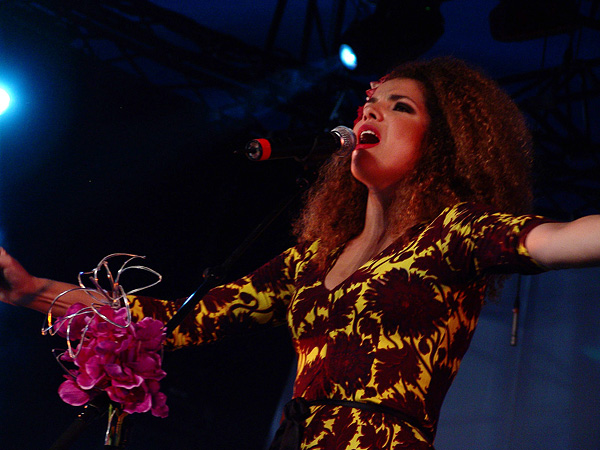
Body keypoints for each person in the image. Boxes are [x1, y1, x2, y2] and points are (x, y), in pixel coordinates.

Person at [0, 57, 599, 449]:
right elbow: (173, 322)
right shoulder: (307, 263)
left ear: (441, 145)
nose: (371, 110)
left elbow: (562, 240)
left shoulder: (455, 233)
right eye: (371, 101)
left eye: (400, 106)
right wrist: (30, 290)